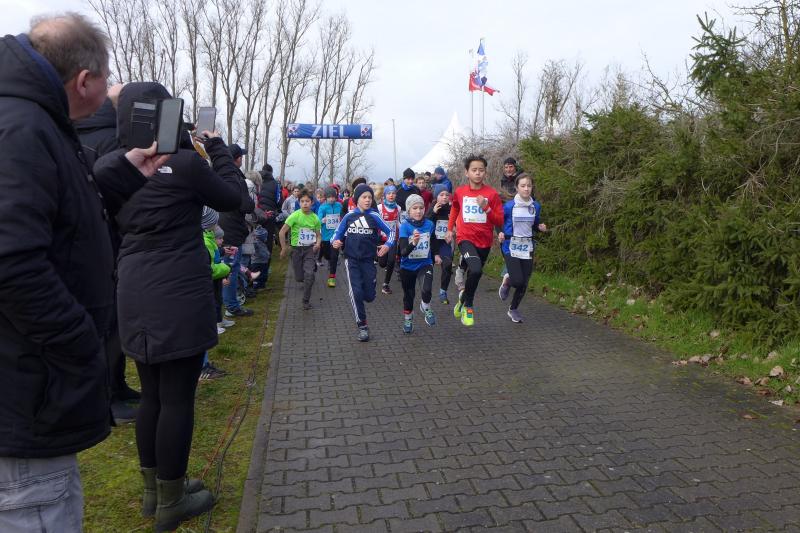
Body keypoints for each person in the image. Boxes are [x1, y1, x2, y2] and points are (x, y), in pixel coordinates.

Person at [0, 14, 170, 532]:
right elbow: (11, 262)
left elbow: (62, 215)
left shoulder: (38, 121)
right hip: (27, 390)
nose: (109, 94)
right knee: (39, 512)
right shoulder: (22, 129)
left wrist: (122, 174)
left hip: (33, 384)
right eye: (106, 79)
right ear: (84, 81)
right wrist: (79, 341)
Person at [93, 81, 246, 531]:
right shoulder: (184, 164)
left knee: (152, 396)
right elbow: (235, 198)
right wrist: (215, 147)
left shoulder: (109, 166)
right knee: (177, 398)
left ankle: (153, 492)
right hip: (178, 287)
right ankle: (172, 499)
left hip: (133, 286)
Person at [75, 87, 140, 425]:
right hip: (109, 240)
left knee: (107, 321)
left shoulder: (74, 133)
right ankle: (108, 397)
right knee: (110, 323)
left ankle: (116, 385)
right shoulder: (113, 141)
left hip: (83, 239)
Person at [445, 155, 504, 327]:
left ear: (485, 173)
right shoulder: (460, 192)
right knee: (476, 269)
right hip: (465, 238)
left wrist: (486, 208)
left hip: (484, 241)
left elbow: (499, 220)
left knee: (475, 274)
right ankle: (468, 306)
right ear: (467, 172)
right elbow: (455, 208)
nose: (478, 173)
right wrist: (450, 228)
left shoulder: (492, 194)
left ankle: (462, 300)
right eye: (474, 170)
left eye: (481, 170)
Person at [331, 184, 395, 341]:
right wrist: (335, 242)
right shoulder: (349, 216)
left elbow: (391, 232)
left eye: (370, 197)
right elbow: (336, 234)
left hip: (368, 260)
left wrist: (387, 245)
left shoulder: (375, 216)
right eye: (364, 197)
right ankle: (362, 326)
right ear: (357, 199)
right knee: (355, 293)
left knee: (369, 296)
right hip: (351, 260)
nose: (367, 200)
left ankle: (370, 290)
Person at [497, 174, 547, 323]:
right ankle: (508, 280)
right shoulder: (509, 206)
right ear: (517, 187)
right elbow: (498, 221)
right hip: (510, 245)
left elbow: (535, 224)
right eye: (523, 186)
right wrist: (500, 232)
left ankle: (513, 309)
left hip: (527, 247)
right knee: (517, 281)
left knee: (524, 282)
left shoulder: (535, 206)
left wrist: (540, 227)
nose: (526, 189)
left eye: (529, 186)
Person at [220, 143, 256, 318]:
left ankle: (226, 304)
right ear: (238, 159)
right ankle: (232, 306)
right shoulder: (236, 178)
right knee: (230, 269)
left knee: (223, 267)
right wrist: (250, 200)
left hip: (220, 227)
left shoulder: (219, 174)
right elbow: (246, 205)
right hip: (232, 229)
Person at [398, 194, 437, 333]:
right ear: (409, 210)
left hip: (425, 264)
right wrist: (414, 243)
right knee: (409, 295)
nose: (418, 211)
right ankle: (408, 319)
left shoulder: (430, 224)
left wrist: (437, 254)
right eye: (414, 208)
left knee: (426, 289)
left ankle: (425, 306)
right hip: (407, 267)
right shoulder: (405, 226)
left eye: (421, 208)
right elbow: (403, 252)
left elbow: (434, 243)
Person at [200, 209, 230, 381]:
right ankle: (202, 368)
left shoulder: (206, 237)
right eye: (214, 221)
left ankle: (203, 364)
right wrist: (226, 269)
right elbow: (208, 267)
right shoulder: (202, 241)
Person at [279, 190, 322, 310]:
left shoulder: (315, 218)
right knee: (299, 278)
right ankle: (308, 272)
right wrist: (284, 248)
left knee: (309, 275)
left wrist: (318, 244)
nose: (305, 204)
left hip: (309, 249)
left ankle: (305, 301)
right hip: (296, 250)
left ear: (312, 203)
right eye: (302, 201)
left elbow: (318, 235)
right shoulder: (295, 216)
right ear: (299, 203)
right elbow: (282, 232)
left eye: (307, 201)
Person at [427, 184, 454, 304]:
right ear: (436, 196)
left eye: (446, 195)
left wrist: (452, 232)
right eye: (441, 195)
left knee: (447, 265)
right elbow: (426, 227)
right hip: (431, 243)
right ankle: (426, 293)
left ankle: (443, 291)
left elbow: (455, 224)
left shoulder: (451, 209)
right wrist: (433, 213)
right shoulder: (432, 208)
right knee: (428, 270)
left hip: (444, 243)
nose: (444, 197)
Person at [257, 163, 281, 284]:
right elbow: (278, 200)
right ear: (271, 172)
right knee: (268, 242)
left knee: (255, 241)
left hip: (256, 214)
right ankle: (265, 270)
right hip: (270, 215)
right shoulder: (275, 183)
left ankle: (254, 271)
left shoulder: (256, 180)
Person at [377, 185, 401, 294]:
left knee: (391, 261)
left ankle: (385, 284)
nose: (391, 195)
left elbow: (397, 222)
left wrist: (404, 229)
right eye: (389, 193)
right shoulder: (379, 207)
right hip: (381, 238)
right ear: (385, 195)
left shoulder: (398, 208)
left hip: (393, 238)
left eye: (393, 193)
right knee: (382, 263)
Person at [316, 187, 342, 287]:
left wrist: (341, 219)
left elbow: (344, 216)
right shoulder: (322, 207)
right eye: (329, 197)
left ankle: (332, 278)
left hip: (336, 236)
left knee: (334, 257)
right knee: (327, 256)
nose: (332, 199)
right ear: (326, 197)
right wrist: (322, 220)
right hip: (325, 237)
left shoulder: (339, 205)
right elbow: (318, 221)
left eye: (333, 197)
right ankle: (327, 259)